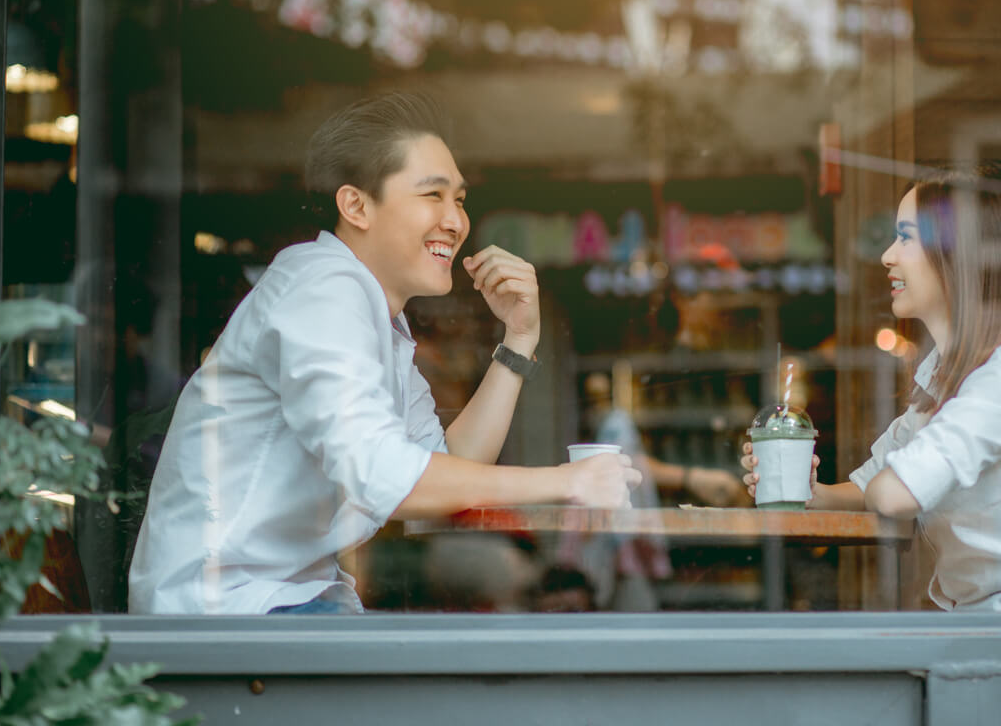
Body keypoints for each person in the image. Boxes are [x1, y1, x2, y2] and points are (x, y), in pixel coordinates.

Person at [128, 92, 640, 615]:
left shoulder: (374, 314)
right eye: (432, 195)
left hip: (279, 607)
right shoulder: (322, 287)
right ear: (356, 205)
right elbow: (386, 478)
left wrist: (518, 341)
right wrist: (566, 481)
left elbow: (444, 468)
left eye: (459, 199)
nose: (455, 221)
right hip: (224, 619)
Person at [741, 166, 1001, 612]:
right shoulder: (942, 373)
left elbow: (895, 492)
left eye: (904, 237)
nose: (886, 256)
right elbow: (873, 484)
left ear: (956, 253)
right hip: (999, 624)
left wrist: (891, 483)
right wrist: (805, 489)